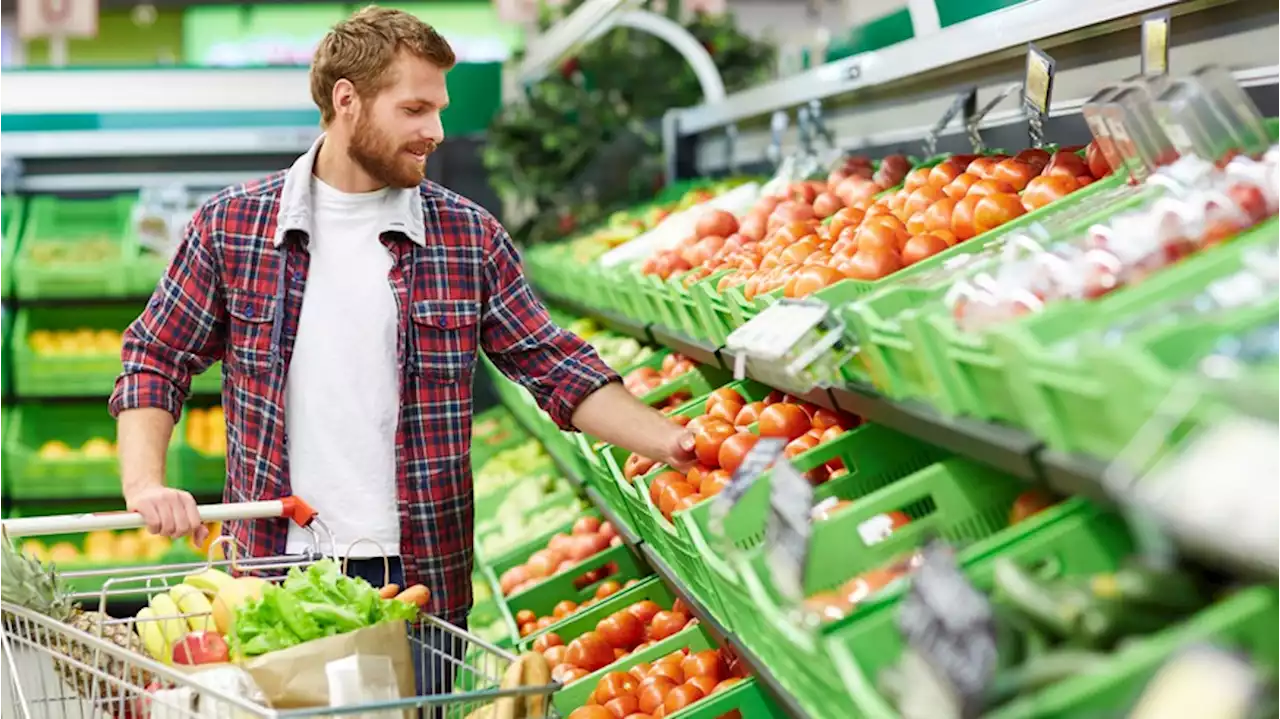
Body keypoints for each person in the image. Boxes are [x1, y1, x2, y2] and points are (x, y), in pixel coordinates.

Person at [109, 3, 695, 704]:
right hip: (273, 581)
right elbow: (156, 354)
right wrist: (143, 482)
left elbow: (554, 366)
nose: (436, 132)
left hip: (418, 583)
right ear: (346, 100)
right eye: (415, 109)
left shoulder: (466, 236)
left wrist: (679, 442)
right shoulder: (233, 227)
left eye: (439, 110)